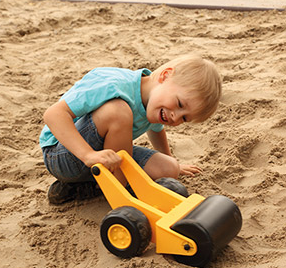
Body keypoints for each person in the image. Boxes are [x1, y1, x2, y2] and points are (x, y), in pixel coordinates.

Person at [39, 54, 222, 205]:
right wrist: (88, 155)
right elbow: (53, 114)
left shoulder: (157, 103)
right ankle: (119, 196)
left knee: (168, 168)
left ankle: (84, 187)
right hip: (63, 154)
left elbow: (156, 129)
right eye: (179, 104)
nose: (175, 116)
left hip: (104, 159)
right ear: (165, 76)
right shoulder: (114, 85)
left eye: (184, 118)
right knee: (118, 112)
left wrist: (172, 160)